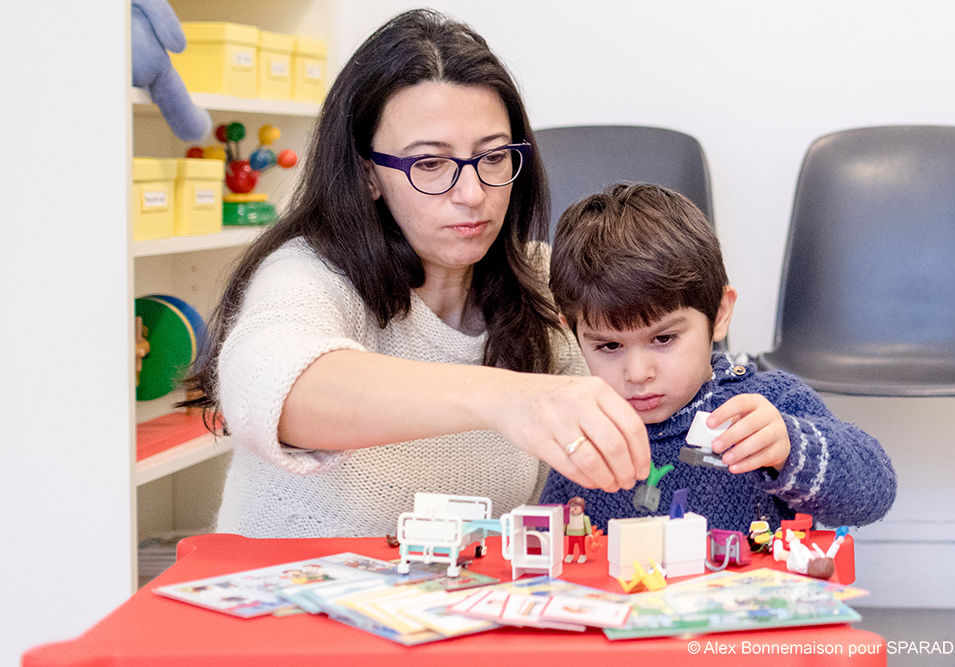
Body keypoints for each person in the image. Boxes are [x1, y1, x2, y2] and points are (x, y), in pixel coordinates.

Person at [179, 9, 650, 539]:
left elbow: (663, 386)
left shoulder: (542, 284)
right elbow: (275, 392)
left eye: (494, 157)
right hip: (289, 608)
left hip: (450, 610)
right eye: (430, 164)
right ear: (369, 174)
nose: (472, 193)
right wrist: (508, 398)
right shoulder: (308, 272)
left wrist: (756, 425)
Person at [540, 183, 897, 532]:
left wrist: (789, 447)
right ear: (572, 332)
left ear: (720, 314)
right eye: (609, 346)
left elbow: (875, 493)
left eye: (663, 338)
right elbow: (545, 539)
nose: (637, 373)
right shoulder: (583, 429)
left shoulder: (766, 405)